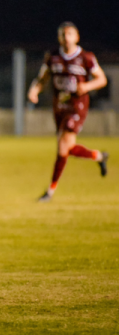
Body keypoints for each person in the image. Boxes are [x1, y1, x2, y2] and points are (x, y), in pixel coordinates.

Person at [28, 22, 109, 202]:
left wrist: (87, 86)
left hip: (77, 106)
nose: (66, 38)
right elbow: (42, 79)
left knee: (63, 147)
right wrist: (34, 90)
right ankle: (99, 156)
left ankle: (50, 191)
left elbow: (102, 79)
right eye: (63, 35)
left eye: (70, 34)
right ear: (59, 38)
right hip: (59, 106)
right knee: (67, 149)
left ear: (77, 37)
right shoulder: (53, 57)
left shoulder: (85, 57)